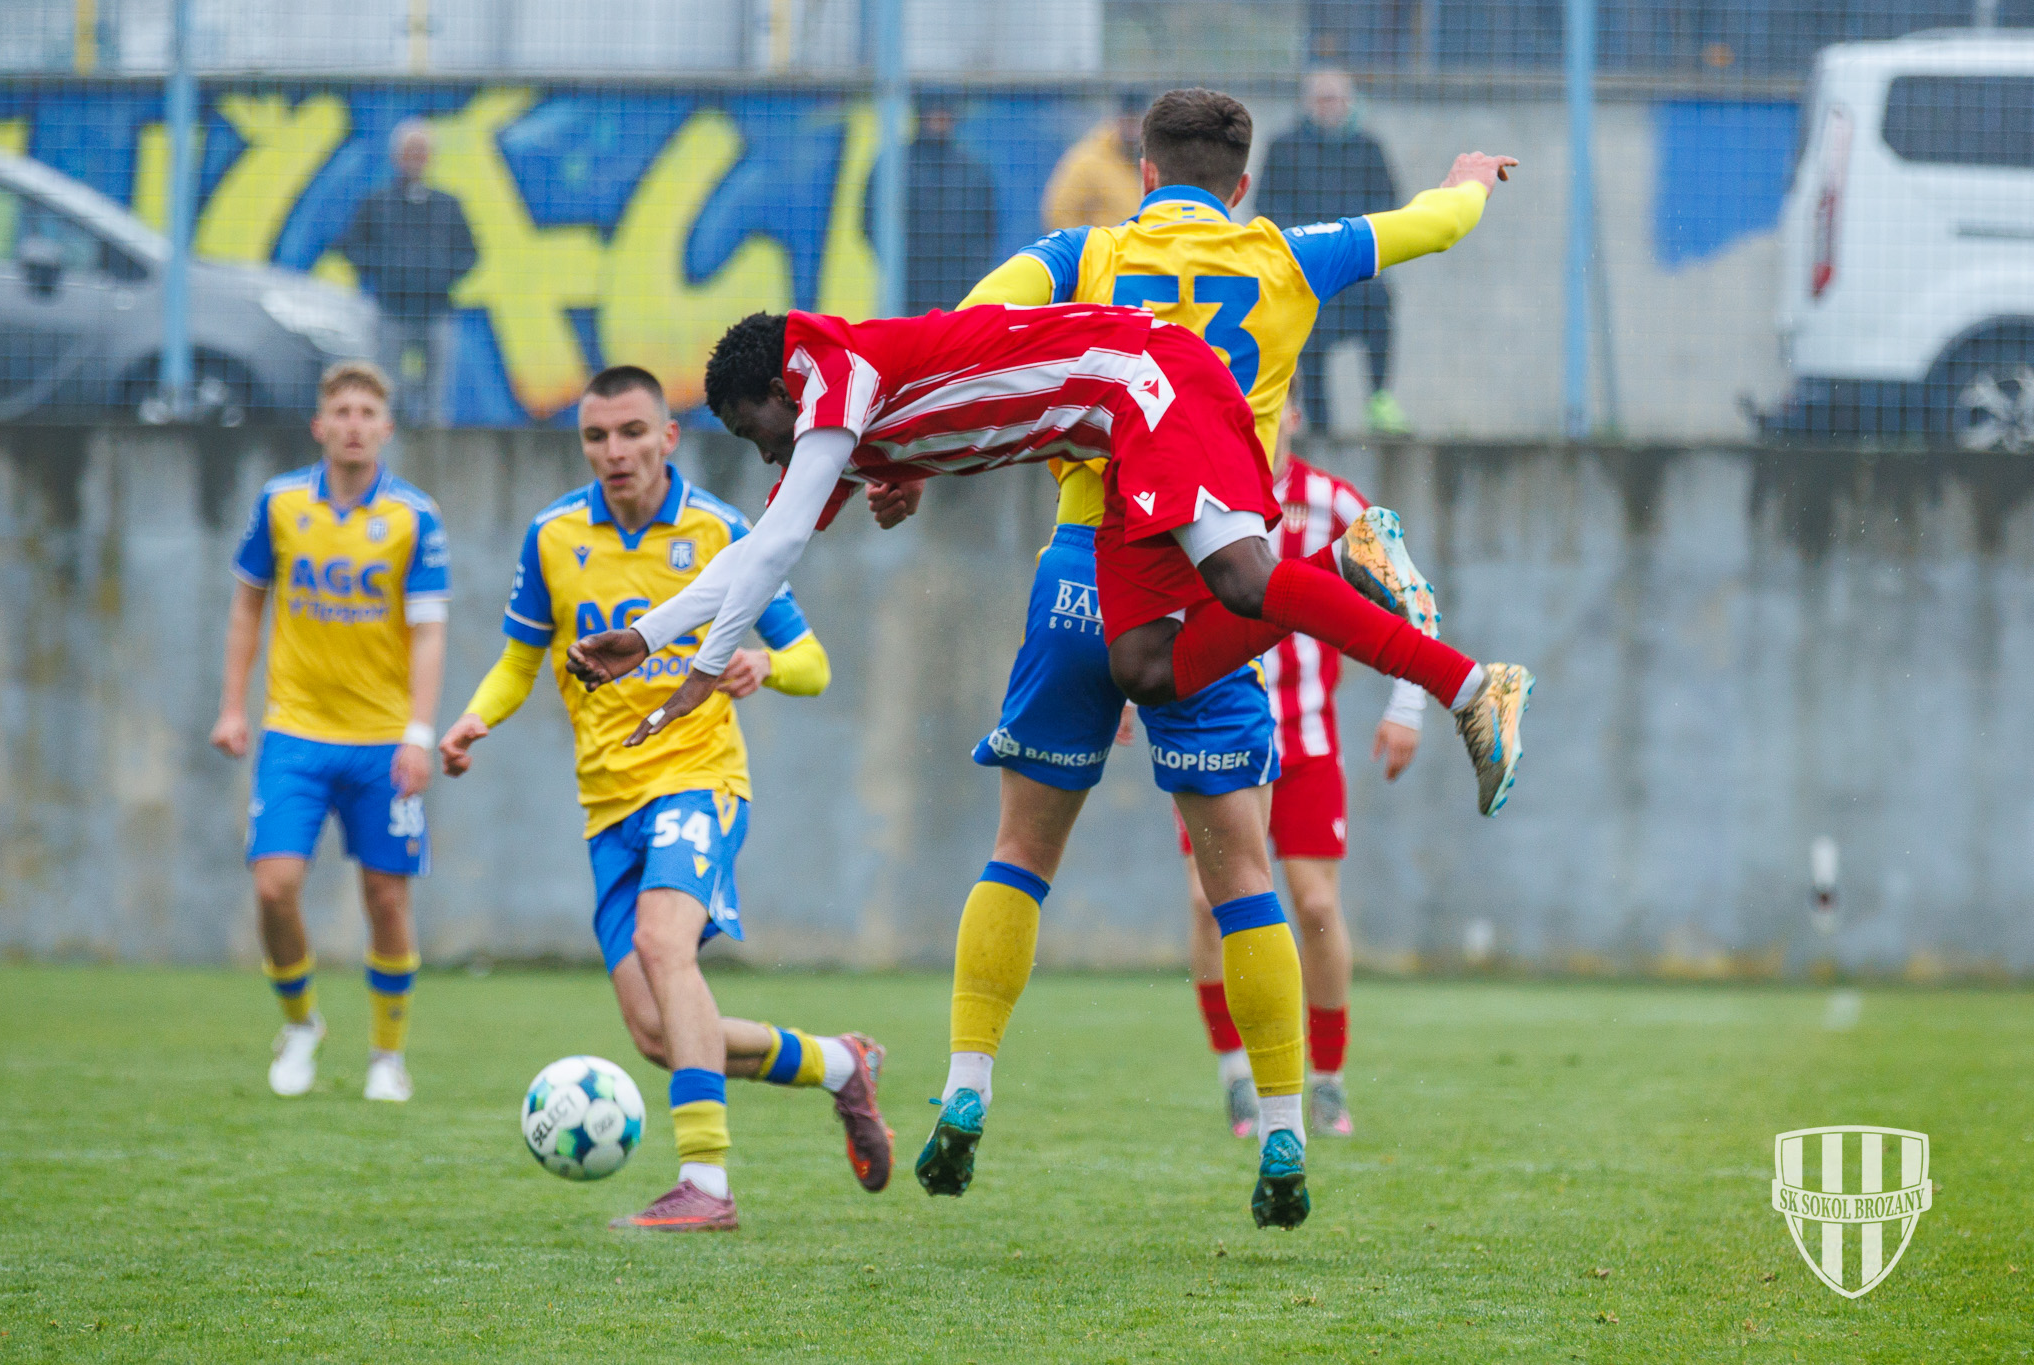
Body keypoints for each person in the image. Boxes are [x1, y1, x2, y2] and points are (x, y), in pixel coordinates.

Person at [562, 264, 1533, 1222]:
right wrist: (647, 635)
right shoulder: (842, 413)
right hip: (1115, 452)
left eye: (757, 430)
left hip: (1148, 387)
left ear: (782, 390)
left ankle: (1464, 683)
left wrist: (702, 670)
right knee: (1146, 666)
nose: (767, 452)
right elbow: (763, 543)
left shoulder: (836, 377)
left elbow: (776, 543)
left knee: (1240, 583)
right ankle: (1341, 567)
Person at [883, 85, 1490, 1226]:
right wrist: (1466, 179)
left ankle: (966, 1084)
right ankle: (1283, 1129)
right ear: (1242, 184)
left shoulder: (1082, 255)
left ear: (1145, 172)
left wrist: (908, 456)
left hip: (1083, 570)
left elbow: (961, 334)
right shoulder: (1286, 255)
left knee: (1020, 851)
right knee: (1241, 876)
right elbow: (1434, 226)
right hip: (1211, 583)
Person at [438, 366, 892, 1234]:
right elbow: (519, 662)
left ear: (668, 437)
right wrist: (473, 718)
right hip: (609, 805)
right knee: (656, 1031)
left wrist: (762, 663)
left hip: (698, 778)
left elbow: (814, 664)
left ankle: (705, 1183)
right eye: (597, 436)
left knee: (661, 941)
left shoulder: (722, 529)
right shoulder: (552, 536)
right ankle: (840, 1063)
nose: (615, 451)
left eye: (632, 432)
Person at [1180, 389, 1428, 1141]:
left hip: (1306, 741)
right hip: (1216, 733)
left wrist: (1407, 706)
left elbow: (1409, 590)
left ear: (1291, 415)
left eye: (1274, 402)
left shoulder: (1331, 502)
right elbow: (1145, 594)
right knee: (1206, 903)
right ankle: (1236, 1075)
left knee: (1316, 907)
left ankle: (1327, 1081)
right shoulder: (1198, 495)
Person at [209, 361, 449, 1104]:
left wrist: (418, 733)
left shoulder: (414, 516)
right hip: (296, 733)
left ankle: (387, 1055)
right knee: (274, 886)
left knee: (387, 899)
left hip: (383, 742)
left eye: (366, 412)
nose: (353, 424)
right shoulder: (280, 503)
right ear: (319, 426)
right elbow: (247, 604)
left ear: (386, 428)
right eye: (341, 411)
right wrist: (232, 707)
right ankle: (300, 1023)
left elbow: (430, 631)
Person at [1256, 69, 1411, 436]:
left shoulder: (1368, 148)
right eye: (1322, 98)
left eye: (1336, 98)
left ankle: (1379, 400)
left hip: (1356, 269)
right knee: (1310, 344)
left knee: (1380, 310)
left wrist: (1358, 243)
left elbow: (1388, 202)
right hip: (1310, 269)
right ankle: (1321, 427)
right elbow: (1268, 205)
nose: (1329, 106)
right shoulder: (1284, 148)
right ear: (1307, 103)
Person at [336, 119, 477, 429]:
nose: (415, 157)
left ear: (430, 156)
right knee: (386, 388)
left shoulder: (447, 205)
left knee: (435, 396)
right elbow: (351, 245)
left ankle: (434, 448)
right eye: (409, 151)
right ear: (396, 156)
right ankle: (387, 443)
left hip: (436, 310)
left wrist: (440, 276)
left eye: (421, 151)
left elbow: (469, 253)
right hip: (391, 309)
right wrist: (386, 271)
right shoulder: (377, 202)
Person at [866, 95, 999, 312]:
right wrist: (901, 262)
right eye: (934, 113)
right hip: (909, 285)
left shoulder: (972, 169)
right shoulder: (895, 165)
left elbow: (988, 227)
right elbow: (869, 222)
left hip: (959, 284)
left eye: (945, 114)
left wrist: (971, 269)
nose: (940, 120)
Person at [1040, 88, 1149, 232]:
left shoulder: (1148, 159)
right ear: (1117, 121)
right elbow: (1060, 213)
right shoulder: (1088, 161)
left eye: (1137, 123)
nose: (1132, 131)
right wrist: (1088, 244)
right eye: (1128, 121)